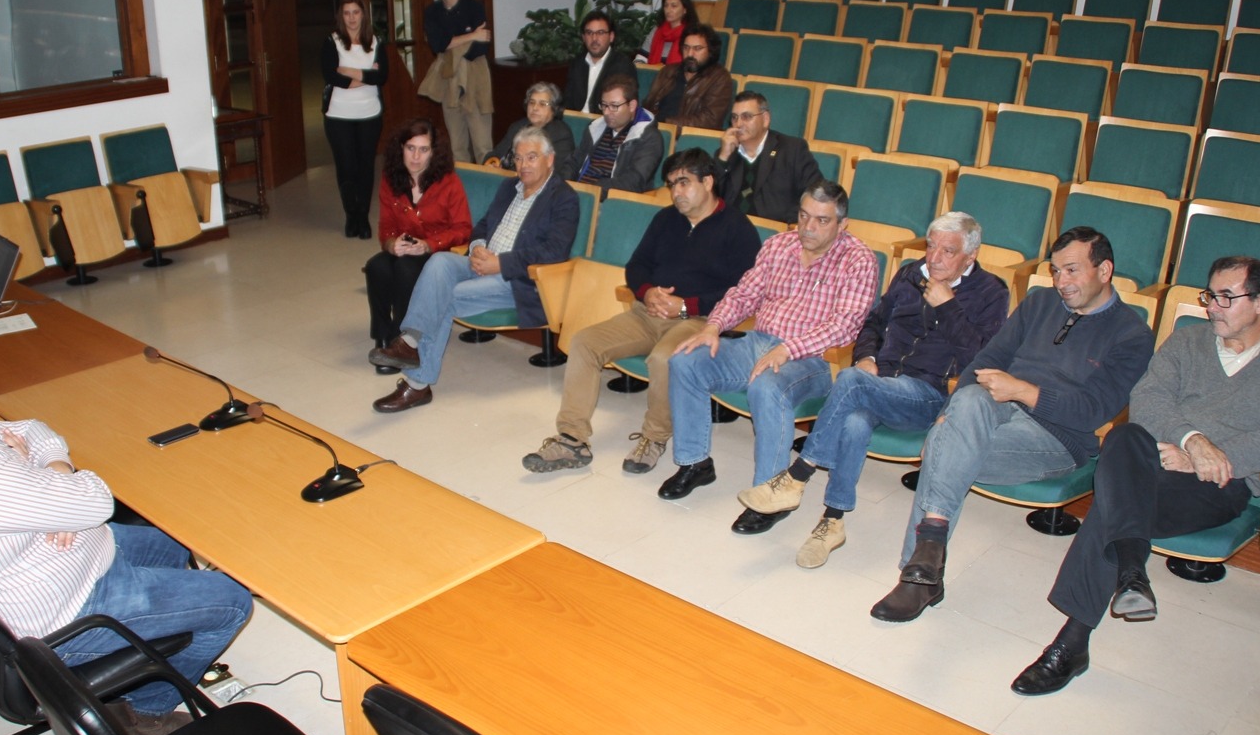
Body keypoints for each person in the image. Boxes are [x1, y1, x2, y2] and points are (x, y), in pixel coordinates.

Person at [0, 306, 252, 735]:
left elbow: (33, 429)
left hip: (56, 558)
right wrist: (47, 484)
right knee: (233, 601)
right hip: (66, 612)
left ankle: (158, 654)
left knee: (174, 545)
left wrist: (48, 472)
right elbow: (96, 499)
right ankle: (147, 715)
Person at [1011, 256, 1260, 696]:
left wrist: (1206, 459)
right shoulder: (1189, 340)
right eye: (1210, 295)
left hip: (1221, 482)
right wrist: (1192, 441)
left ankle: (1074, 639)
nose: (1212, 307)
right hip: (1159, 456)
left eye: (1225, 298)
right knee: (1124, 437)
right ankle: (1128, 576)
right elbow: (1148, 399)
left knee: (1113, 508)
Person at [871, 226, 1156, 624]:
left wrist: (1023, 391)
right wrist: (950, 409)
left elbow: (1094, 411)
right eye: (1056, 271)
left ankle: (919, 575)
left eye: (1072, 270)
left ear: (1104, 270)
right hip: (994, 407)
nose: (1061, 282)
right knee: (967, 402)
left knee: (944, 446)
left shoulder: (1132, 335)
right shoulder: (1040, 302)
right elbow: (988, 358)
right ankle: (926, 558)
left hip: (1056, 437)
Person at [737, 212, 1009, 568]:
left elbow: (981, 358)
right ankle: (832, 521)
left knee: (850, 381)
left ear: (971, 256)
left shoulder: (991, 292)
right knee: (854, 420)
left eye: (948, 251)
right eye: (931, 246)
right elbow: (874, 323)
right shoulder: (910, 274)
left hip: (928, 395)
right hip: (879, 382)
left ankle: (798, 474)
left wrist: (947, 307)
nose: (934, 258)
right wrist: (865, 356)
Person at [522, 147, 762, 475]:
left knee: (664, 358)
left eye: (684, 183)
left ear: (707, 182)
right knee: (585, 342)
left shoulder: (737, 228)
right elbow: (636, 265)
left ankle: (654, 438)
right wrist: (647, 292)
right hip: (646, 314)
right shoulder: (666, 219)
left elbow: (745, 291)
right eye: (671, 185)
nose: (676, 192)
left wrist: (687, 306)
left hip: (698, 320)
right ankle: (572, 438)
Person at [662, 179, 878, 535]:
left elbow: (845, 326)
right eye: (804, 216)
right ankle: (694, 463)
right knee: (686, 360)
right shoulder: (779, 245)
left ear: (842, 225)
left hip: (815, 360)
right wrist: (713, 326)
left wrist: (789, 349)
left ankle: (771, 493)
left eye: (822, 220)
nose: (808, 227)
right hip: (759, 342)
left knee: (767, 387)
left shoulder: (858, 260)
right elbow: (744, 294)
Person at [369, 128, 579, 412]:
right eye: (518, 158)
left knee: (445, 296)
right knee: (439, 262)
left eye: (531, 158)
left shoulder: (563, 197)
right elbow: (481, 226)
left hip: (520, 279)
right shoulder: (509, 187)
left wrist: (500, 263)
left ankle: (416, 382)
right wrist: (478, 246)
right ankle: (410, 342)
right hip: (482, 262)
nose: (523, 165)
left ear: (550, 159)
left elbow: (554, 251)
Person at [365, 119, 472, 376]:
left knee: (406, 270)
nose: (415, 156)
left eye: (423, 150)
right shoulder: (391, 179)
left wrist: (429, 245)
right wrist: (392, 244)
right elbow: (386, 227)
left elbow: (463, 228)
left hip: (437, 254)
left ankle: (402, 342)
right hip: (406, 249)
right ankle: (382, 336)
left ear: (434, 152)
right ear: (400, 148)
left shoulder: (449, 182)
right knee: (376, 266)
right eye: (410, 148)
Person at [321, 0, 389, 239]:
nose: (351, 18)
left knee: (365, 167)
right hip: (338, 116)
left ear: (363, 15)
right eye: (347, 13)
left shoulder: (376, 42)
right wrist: (366, 75)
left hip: (369, 115)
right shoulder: (332, 42)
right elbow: (331, 76)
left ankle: (363, 216)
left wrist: (348, 72)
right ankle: (351, 216)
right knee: (346, 167)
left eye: (356, 12)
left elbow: (382, 76)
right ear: (341, 16)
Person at [418, 0, 492, 163]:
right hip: (448, 79)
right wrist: (471, 35)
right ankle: (462, 184)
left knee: (483, 146)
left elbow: (480, 47)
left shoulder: (474, 8)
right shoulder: (432, 12)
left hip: (476, 77)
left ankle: (487, 183)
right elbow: (438, 45)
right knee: (457, 147)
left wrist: (452, 44)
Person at [716, 90, 823, 224]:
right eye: (734, 117)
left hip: (776, 230)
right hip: (730, 228)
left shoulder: (792, 149)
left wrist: (787, 223)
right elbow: (710, 198)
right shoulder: (726, 152)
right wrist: (723, 158)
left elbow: (816, 193)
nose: (738, 124)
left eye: (746, 117)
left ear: (765, 119)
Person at [568, 75, 664, 198]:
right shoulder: (595, 128)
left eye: (614, 106)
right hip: (579, 194)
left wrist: (591, 190)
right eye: (604, 105)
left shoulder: (649, 138)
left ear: (632, 105)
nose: (607, 112)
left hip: (609, 200)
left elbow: (633, 182)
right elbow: (573, 163)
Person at [641, 24, 734, 130]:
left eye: (697, 49)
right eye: (686, 48)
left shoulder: (719, 78)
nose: (690, 54)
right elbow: (648, 104)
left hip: (687, 137)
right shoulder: (668, 71)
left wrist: (666, 124)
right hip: (653, 132)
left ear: (711, 51)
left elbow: (709, 121)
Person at [488, 81, 575, 172]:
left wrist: (507, 172)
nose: (535, 108)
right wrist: (492, 164)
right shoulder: (518, 126)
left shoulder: (561, 134)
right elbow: (494, 154)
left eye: (542, 104)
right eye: (532, 102)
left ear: (554, 109)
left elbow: (553, 171)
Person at [562, 11, 638, 114]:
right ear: (583, 37)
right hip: (577, 119)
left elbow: (623, 110)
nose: (594, 38)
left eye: (600, 33)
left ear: (611, 36)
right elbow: (568, 102)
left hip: (606, 120)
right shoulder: (577, 63)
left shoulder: (622, 66)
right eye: (589, 33)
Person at [637, 0, 699, 65]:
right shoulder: (657, 30)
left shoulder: (692, 33)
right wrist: (639, 66)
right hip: (652, 72)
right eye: (666, 6)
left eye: (674, 6)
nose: (668, 10)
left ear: (685, 10)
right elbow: (642, 57)